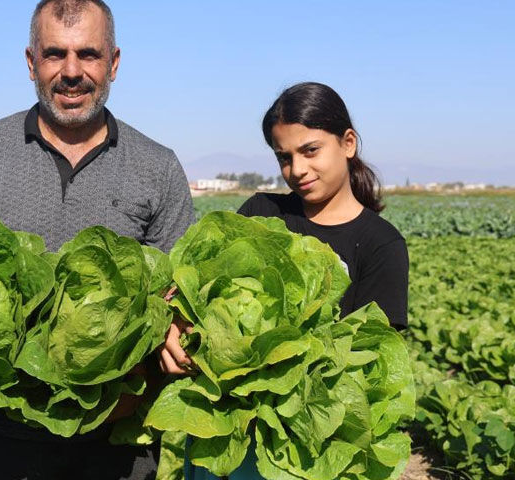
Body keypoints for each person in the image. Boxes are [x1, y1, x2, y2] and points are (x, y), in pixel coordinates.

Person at [0, 0, 195, 478]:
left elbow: (182, 298)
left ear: (113, 62)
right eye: (55, 54)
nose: (72, 72)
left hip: (115, 444)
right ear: (31, 62)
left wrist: (174, 329)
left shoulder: (158, 167)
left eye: (88, 54)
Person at [161, 82, 409, 479]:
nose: (297, 169)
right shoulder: (261, 212)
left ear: (347, 143)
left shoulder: (381, 244)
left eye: (310, 151)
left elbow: (374, 355)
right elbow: (191, 286)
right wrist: (175, 321)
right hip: (226, 429)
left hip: (305, 446)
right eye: (284, 157)